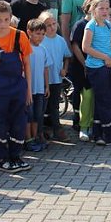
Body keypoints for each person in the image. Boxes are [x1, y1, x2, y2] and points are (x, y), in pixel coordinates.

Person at [0, 0, 34, 172]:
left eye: (5, 19)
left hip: (18, 86)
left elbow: (26, 64)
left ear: (10, 18)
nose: (2, 24)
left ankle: (16, 156)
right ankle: (4, 158)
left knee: (19, 122)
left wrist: (29, 90)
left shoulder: (20, 36)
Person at [82, 0, 111, 146]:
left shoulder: (108, 24)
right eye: (101, 8)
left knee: (104, 99)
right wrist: (104, 57)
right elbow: (86, 47)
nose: (105, 11)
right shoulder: (90, 26)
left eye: (107, 8)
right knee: (104, 100)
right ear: (93, 9)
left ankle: (98, 133)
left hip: (108, 65)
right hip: (96, 67)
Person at [39, 11, 71, 142]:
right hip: (42, 80)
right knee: (41, 107)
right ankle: (40, 131)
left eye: (54, 24)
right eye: (48, 25)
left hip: (56, 79)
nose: (52, 27)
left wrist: (65, 69)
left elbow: (67, 56)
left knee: (54, 106)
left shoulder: (60, 40)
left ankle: (57, 129)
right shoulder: (40, 40)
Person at [69, 0, 95, 141]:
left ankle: (91, 123)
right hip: (81, 66)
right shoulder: (80, 25)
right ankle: (79, 123)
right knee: (82, 94)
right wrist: (85, 64)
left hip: (96, 65)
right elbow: (75, 46)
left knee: (92, 96)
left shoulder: (100, 25)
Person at [24, 18, 50, 152]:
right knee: (28, 115)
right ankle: (27, 140)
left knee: (37, 115)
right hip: (28, 89)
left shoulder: (43, 49)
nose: (40, 37)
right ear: (29, 32)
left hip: (39, 89)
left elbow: (46, 68)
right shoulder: (25, 48)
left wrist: (47, 85)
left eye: (42, 34)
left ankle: (35, 138)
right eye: (37, 33)